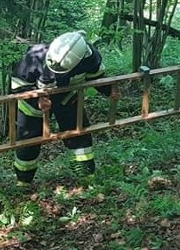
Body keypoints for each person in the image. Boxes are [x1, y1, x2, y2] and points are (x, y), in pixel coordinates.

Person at [11, 30, 115, 187]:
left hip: (68, 98)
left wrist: (110, 90)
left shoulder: (90, 57)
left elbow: (97, 77)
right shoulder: (35, 56)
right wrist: (36, 100)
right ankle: (23, 182)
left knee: (79, 135)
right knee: (28, 142)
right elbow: (18, 86)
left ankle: (86, 178)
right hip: (33, 107)